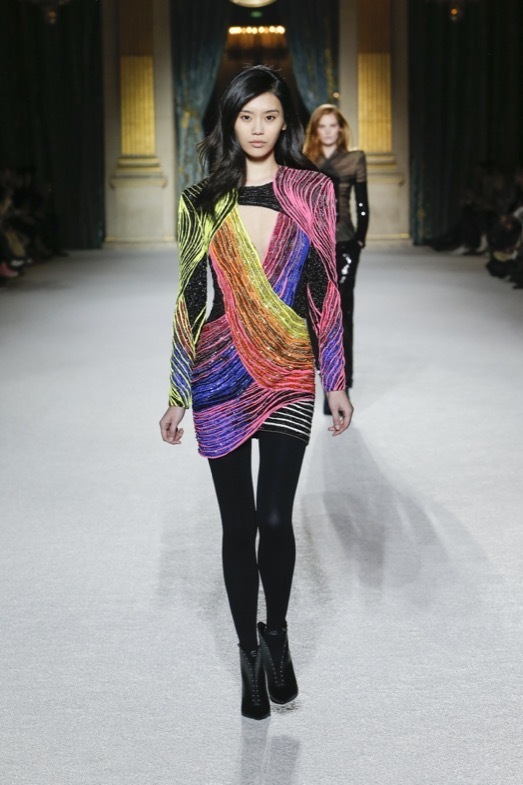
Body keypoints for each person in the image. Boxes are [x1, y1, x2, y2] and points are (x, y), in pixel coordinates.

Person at [159, 66, 353, 720]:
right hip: (219, 373)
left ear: (284, 121)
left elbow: (323, 290)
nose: (258, 128)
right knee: (237, 526)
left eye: (269, 116)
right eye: (246, 117)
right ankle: (248, 655)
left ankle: (277, 634)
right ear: (230, 122)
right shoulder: (201, 199)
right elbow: (190, 297)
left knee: (274, 519)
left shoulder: (311, 190)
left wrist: (336, 379)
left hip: (290, 370)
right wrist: (176, 392)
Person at [303, 105, 369, 409]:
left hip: (344, 244)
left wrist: (360, 239)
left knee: (342, 313)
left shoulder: (355, 158)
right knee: (316, 316)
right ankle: (328, 381)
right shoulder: (305, 160)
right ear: (316, 130)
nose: (328, 131)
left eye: (333, 125)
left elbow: (362, 204)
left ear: (341, 129)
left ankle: (343, 385)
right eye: (323, 126)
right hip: (313, 245)